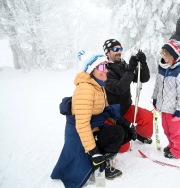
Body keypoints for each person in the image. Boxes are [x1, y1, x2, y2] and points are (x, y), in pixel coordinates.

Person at [51, 52, 137, 187]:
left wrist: (126, 124)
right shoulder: (85, 89)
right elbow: (82, 125)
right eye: (102, 67)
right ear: (92, 70)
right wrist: (93, 152)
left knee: (122, 130)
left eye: (106, 66)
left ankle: (103, 158)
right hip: (80, 136)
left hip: (94, 128)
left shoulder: (98, 85)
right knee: (117, 132)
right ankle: (100, 162)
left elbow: (106, 111)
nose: (106, 71)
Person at [103, 39, 153, 152]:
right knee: (123, 147)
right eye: (115, 49)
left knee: (147, 118)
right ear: (107, 52)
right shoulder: (104, 69)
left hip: (126, 107)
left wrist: (142, 64)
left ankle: (138, 134)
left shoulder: (123, 64)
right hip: (113, 114)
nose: (119, 52)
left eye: (120, 49)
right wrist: (130, 70)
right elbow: (118, 88)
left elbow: (143, 78)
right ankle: (121, 133)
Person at [152, 39, 180, 159]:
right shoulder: (162, 68)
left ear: (174, 56)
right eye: (163, 54)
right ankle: (172, 144)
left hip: (174, 110)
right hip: (164, 107)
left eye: (167, 55)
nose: (164, 57)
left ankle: (179, 150)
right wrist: (155, 99)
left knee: (176, 132)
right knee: (167, 130)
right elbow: (157, 86)